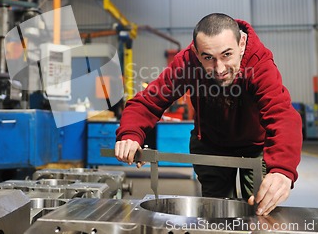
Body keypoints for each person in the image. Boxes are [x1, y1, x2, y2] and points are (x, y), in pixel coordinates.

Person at [115, 13, 302, 216]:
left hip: (256, 146)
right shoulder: (187, 64)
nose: (219, 68)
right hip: (211, 144)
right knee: (215, 213)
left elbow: (282, 115)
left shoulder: (259, 63)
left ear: (242, 43)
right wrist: (130, 134)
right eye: (208, 58)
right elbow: (147, 101)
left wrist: (282, 169)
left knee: (260, 209)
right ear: (196, 52)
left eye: (226, 55)